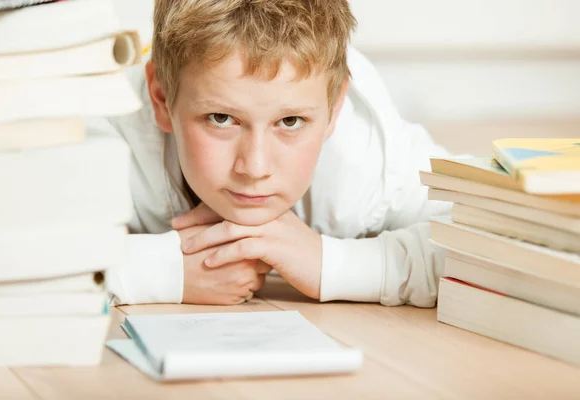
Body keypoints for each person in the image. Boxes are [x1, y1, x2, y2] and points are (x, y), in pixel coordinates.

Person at [88, 0, 451, 306]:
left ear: (334, 107)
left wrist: (329, 263)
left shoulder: (366, 154)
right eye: (221, 118)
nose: (255, 167)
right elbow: (30, 256)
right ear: (162, 99)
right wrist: (163, 272)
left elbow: (497, 241)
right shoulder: (109, 131)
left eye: (290, 121)